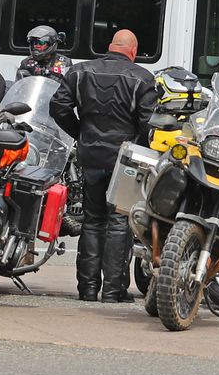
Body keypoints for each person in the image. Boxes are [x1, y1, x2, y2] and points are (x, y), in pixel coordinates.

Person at [51, 29, 158, 302]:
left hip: (90, 155)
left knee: (92, 220)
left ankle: (87, 289)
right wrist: (137, 146)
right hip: (125, 158)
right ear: (133, 51)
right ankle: (113, 290)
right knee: (119, 221)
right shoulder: (142, 78)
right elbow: (149, 122)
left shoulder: (80, 71)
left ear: (110, 46)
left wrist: (80, 133)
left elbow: (58, 106)